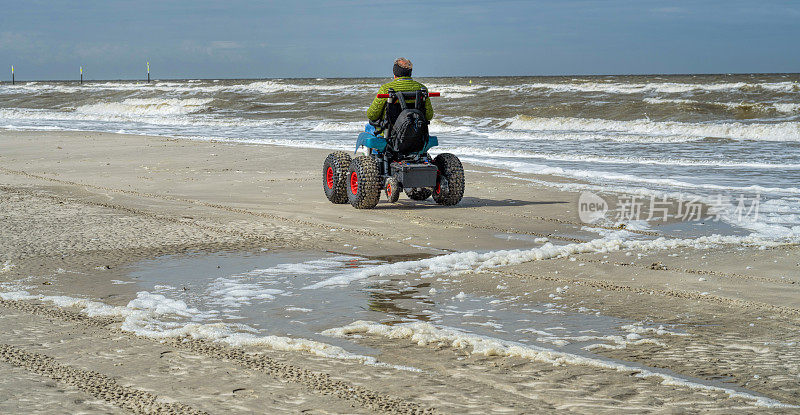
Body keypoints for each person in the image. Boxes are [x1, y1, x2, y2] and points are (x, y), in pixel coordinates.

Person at [365, 57, 434, 137]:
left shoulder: (386, 89)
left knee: (369, 127)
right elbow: (429, 116)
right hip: (415, 135)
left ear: (394, 74)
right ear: (410, 73)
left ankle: (375, 150)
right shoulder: (422, 89)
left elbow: (372, 115)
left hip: (391, 135)